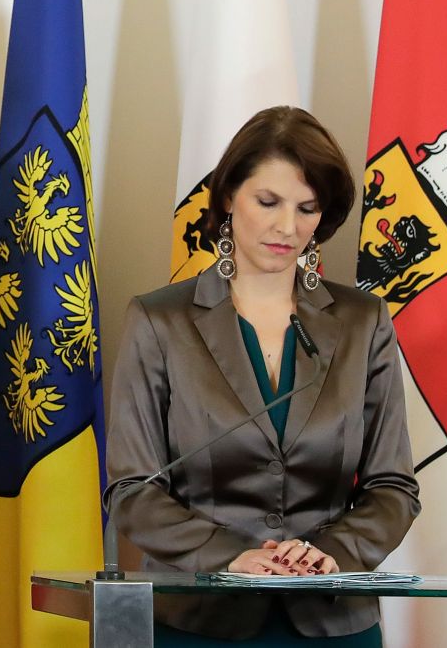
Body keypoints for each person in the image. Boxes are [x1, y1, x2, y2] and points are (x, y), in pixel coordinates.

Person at [106, 105, 420, 645]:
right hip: (199, 619)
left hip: (332, 620)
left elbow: (393, 486)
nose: (287, 227)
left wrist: (332, 554)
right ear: (229, 196)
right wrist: (232, 557)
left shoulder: (363, 322)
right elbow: (132, 489)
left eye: (307, 208)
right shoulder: (160, 321)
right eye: (268, 202)